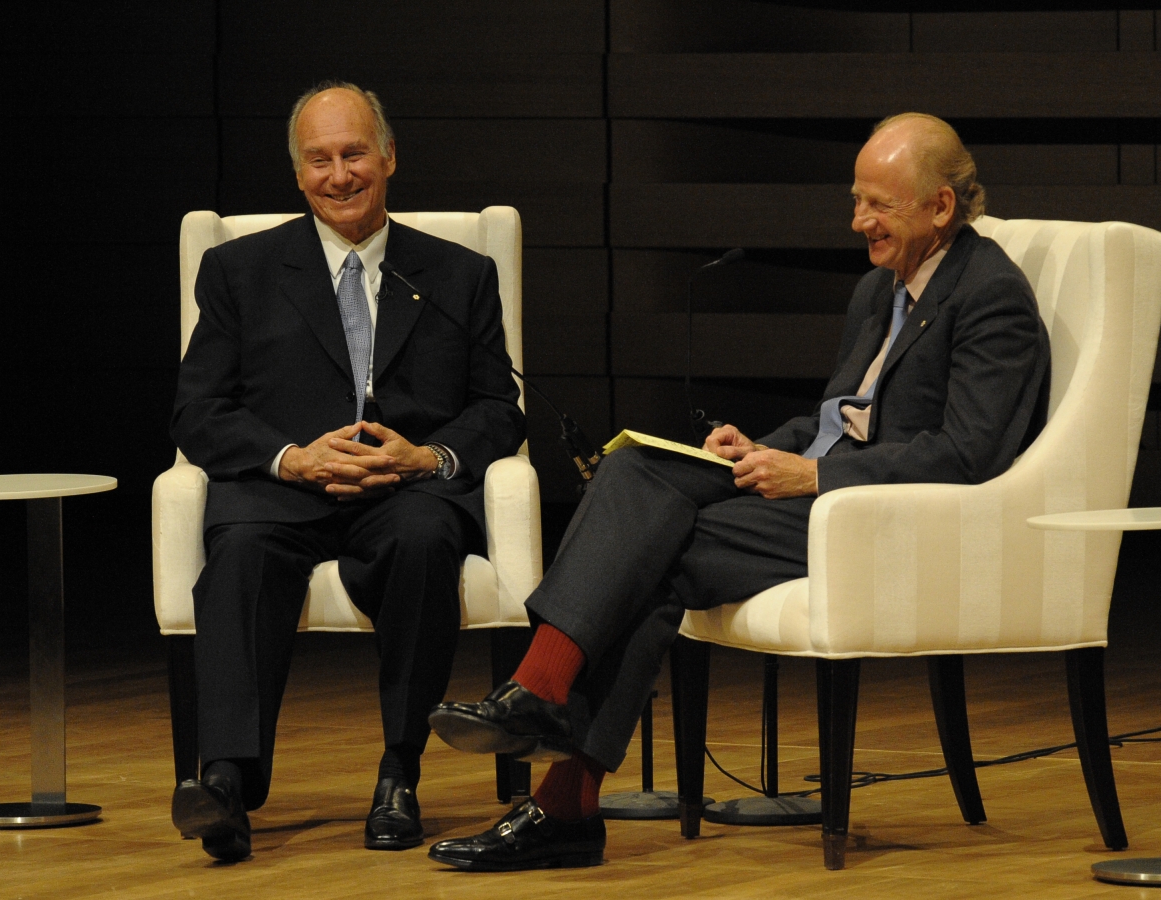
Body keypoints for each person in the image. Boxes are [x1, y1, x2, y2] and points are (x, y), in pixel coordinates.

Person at [425, 112, 1052, 871]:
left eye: (877, 204)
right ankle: (547, 729)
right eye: (856, 200)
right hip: (811, 491)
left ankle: (554, 755)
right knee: (632, 466)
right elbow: (839, 416)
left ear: (940, 206)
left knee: (654, 549)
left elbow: (968, 452)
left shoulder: (990, 296)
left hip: (876, 517)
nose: (858, 221)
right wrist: (764, 448)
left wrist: (817, 475)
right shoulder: (878, 291)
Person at [168, 81, 525, 862]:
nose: (340, 175)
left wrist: (426, 456)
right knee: (237, 560)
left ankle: (400, 772)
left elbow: (501, 407)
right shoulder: (238, 270)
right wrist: (290, 457)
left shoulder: (462, 274)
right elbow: (197, 412)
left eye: (354, 153)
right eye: (319, 159)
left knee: (427, 541)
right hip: (279, 490)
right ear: (297, 174)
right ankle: (225, 784)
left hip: (404, 492)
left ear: (389, 157)